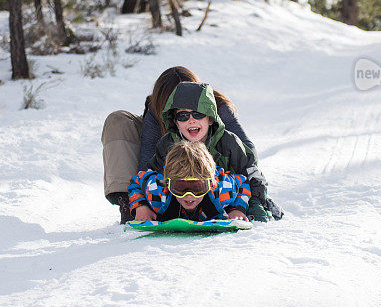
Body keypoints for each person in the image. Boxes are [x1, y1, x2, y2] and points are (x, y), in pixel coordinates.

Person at [102, 66, 255, 222]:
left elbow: (247, 158)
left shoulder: (216, 106)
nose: (190, 118)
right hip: (170, 173)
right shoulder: (157, 117)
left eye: (196, 112)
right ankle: (128, 206)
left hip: (207, 173)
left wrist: (247, 205)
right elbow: (145, 171)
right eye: (181, 113)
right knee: (118, 120)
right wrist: (141, 204)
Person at [147, 81, 273, 221]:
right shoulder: (168, 144)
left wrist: (252, 204)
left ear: (211, 118)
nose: (191, 120)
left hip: (227, 202)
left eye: (198, 114)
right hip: (181, 205)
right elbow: (151, 178)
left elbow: (250, 174)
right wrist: (144, 206)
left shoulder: (228, 143)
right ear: (175, 121)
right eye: (183, 116)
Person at [128, 140, 250, 222]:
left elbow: (243, 182)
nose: (189, 196)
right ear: (168, 184)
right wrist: (140, 206)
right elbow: (136, 182)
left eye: (197, 188)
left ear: (211, 185)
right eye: (180, 187)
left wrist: (237, 208)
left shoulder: (223, 189)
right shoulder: (156, 192)